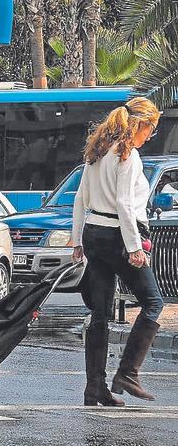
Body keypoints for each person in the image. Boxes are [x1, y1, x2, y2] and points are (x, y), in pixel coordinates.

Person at [71, 97, 165, 406]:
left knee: (100, 312)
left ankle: (94, 387)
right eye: (150, 129)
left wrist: (77, 240)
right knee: (153, 302)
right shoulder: (128, 155)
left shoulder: (96, 152)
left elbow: (80, 199)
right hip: (116, 235)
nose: (150, 136)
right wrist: (134, 247)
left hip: (94, 233)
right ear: (140, 125)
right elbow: (125, 205)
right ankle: (128, 373)